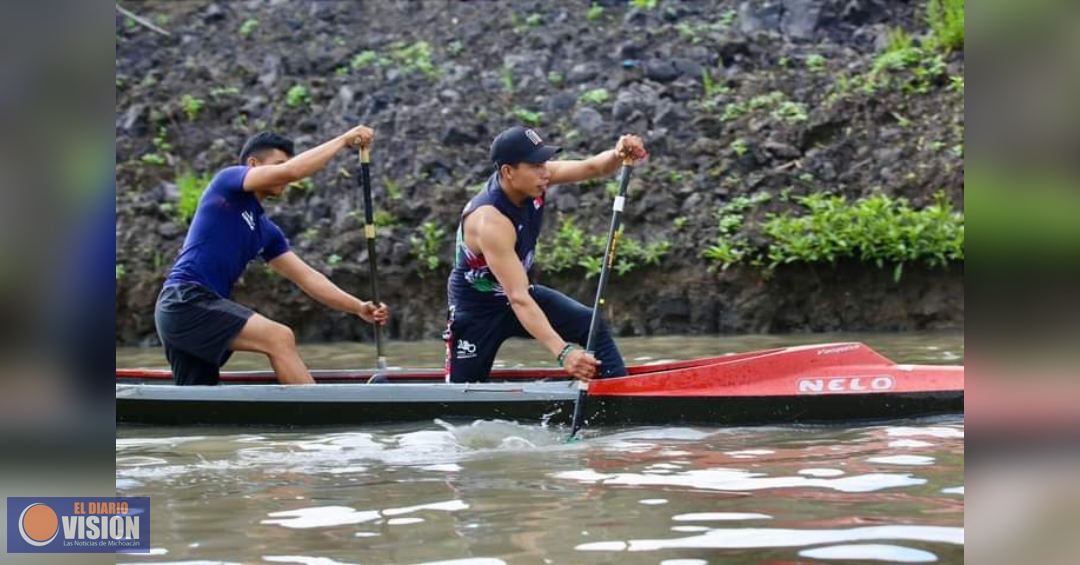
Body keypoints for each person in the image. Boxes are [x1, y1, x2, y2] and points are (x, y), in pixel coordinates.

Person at [155, 127, 389, 385]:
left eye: (286, 164)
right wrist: (344, 140)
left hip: (195, 309)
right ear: (253, 164)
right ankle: (316, 412)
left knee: (199, 400)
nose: (285, 175)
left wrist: (358, 307)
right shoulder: (228, 183)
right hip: (185, 301)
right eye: (278, 164)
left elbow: (308, 277)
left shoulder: (267, 232)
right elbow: (293, 171)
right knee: (279, 337)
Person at [444, 126, 648, 383]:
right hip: (477, 311)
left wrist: (618, 154)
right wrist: (563, 352)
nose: (545, 171)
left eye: (545, 162)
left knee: (590, 323)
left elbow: (592, 168)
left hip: (519, 293)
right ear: (508, 172)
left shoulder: (535, 178)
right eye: (535, 165)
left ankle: (616, 393)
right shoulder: (490, 221)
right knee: (463, 396)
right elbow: (518, 298)